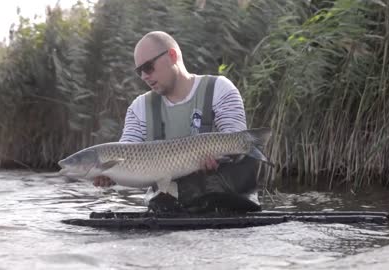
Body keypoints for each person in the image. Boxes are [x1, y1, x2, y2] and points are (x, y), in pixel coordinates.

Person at [93, 31, 265, 213]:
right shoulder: (139, 107)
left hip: (226, 204)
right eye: (139, 71)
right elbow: (125, 153)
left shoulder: (219, 89)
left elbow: (239, 147)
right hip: (168, 208)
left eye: (148, 67)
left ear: (173, 56)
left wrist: (220, 162)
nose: (144, 76)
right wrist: (112, 175)